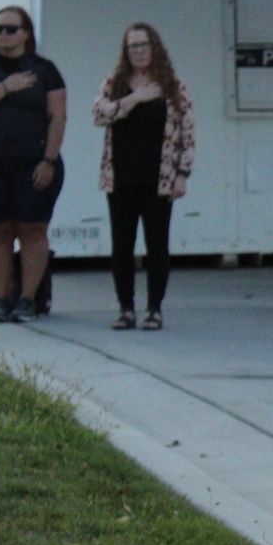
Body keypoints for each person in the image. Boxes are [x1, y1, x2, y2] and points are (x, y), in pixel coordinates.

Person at [92, 23, 194, 331]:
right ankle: (126, 309)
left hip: (159, 178)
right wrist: (134, 99)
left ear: (155, 48)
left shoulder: (173, 86)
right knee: (122, 246)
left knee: (157, 245)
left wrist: (182, 174)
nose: (138, 51)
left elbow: (188, 134)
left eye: (143, 45)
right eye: (132, 46)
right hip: (121, 177)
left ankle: (154, 309)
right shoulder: (114, 84)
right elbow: (99, 115)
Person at [0, 5, 66, 324]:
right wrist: (6, 87)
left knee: (32, 229)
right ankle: (2, 299)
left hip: (34, 162)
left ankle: (28, 299)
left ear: (26, 33)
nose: (4, 35)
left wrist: (49, 159)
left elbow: (57, 116)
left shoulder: (44, 70)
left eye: (10, 29)